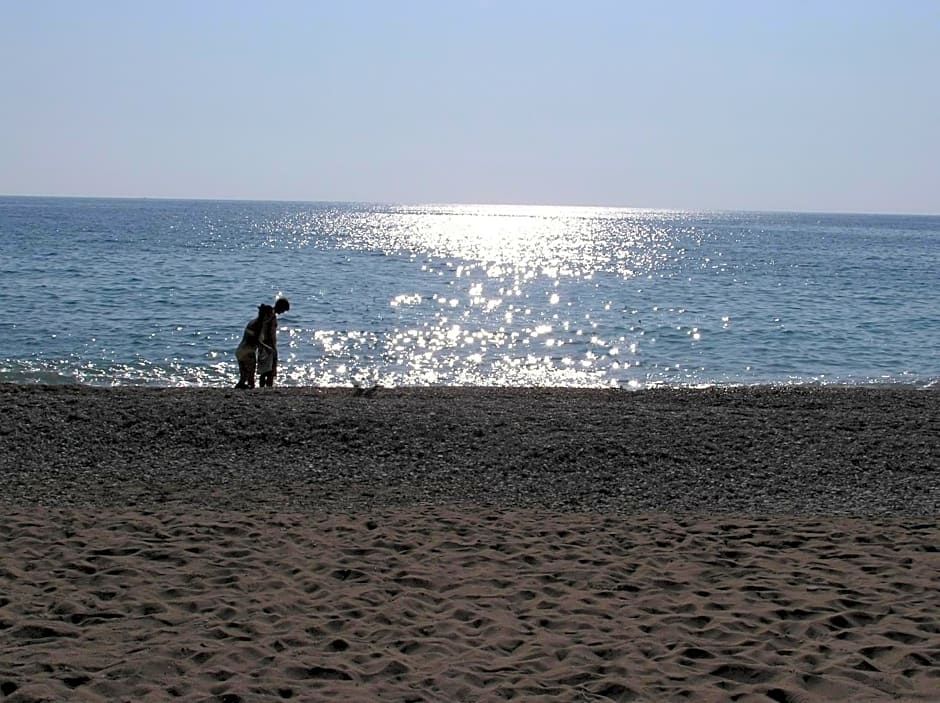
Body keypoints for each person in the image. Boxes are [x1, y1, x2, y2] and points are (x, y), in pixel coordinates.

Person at [234, 304, 274, 389]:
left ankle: (239, 392)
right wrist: (267, 348)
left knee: (243, 378)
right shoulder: (259, 325)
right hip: (248, 352)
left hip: (240, 350)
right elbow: (256, 340)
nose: (271, 317)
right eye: (271, 314)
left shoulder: (252, 322)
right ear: (266, 315)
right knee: (250, 376)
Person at [258, 296, 290, 387]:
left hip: (266, 344)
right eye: (283, 310)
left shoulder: (270, 314)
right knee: (269, 370)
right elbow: (266, 330)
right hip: (268, 344)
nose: (282, 312)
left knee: (265, 370)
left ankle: (263, 387)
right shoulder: (270, 315)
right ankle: (268, 387)